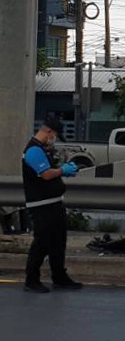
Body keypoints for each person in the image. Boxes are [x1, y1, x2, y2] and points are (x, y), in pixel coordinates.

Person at [22, 118, 82, 293]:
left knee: (58, 243)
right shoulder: (33, 149)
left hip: (54, 204)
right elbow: (46, 174)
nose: (54, 139)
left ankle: (59, 277)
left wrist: (62, 169)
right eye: (55, 135)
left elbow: (51, 171)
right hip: (41, 206)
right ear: (48, 132)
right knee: (41, 243)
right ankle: (31, 280)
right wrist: (63, 170)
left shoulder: (43, 149)